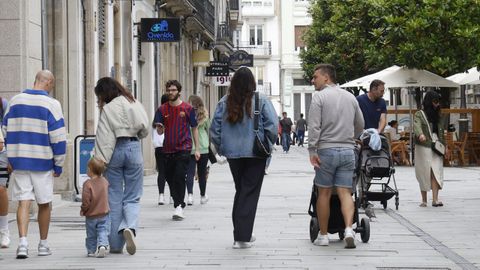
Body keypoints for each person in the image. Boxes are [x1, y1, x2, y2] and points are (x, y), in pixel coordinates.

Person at [210, 67, 278, 249]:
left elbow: (214, 130)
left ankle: (242, 231)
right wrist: (268, 145)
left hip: (233, 154)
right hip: (256, 153)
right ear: (252, 82)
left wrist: (222, 148)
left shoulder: (224, 101)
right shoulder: (261, 100)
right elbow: (272, 125)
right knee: (249, 193)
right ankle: (241, 237)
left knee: (241, 191)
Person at [2, 70, 67, 259]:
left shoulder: (15, 101)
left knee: (24, 201)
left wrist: (9, 159)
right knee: (44, 203)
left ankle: (22, 244)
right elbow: (59, 138)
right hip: (42, 162)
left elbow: (5, 132)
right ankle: (43, 244)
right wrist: (59, 164)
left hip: (20, 161)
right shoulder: (52, 104)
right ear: (48, 83)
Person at [308, 64, 364, 248]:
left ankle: (323, 236)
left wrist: (312, 150)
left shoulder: (319, 98)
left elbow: (314, 127)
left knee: (323, 193)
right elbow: (360, 124)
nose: (312, 80)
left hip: (327, 150)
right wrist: (351, 138)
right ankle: (349, 229)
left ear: (326, 78)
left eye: (315, 77)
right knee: (345, 192)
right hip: (348, 151)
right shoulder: (351, 97)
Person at [93, 77, 149, 255]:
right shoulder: (132, 101)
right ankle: (130, 228)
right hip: (133, 147)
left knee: (114, 198)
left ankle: (116, 245)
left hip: (115, 151)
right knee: (132, 195)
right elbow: (145, 127)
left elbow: (104, 137)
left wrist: (100, 160)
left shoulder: (107, 109)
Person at [154, 80, 200, 220]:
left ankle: (179, 206)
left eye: (173, 90)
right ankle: (178, 201)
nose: (170, 92)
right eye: (168, 90)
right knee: (169, 177)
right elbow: (160, 131)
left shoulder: (187, 109)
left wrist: (197, 148)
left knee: (180, 176)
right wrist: (160, 128)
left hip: (184, 148)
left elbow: (194, 128)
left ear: (179, 91)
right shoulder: (162, 109)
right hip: (167, 149)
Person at [413, 90, 449, 207]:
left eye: (438, 102)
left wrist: (446, 147)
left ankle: (435, 199)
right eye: (434, 101)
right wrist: (420, 134)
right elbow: (416, 125)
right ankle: (424, 200)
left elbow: (441, 133)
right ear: (429, 101)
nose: (437, 104)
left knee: (436, 171)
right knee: (424, 171)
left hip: (437, 145)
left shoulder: (439, 114)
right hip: (423, 145)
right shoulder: (420, 114)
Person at [80, 157, 109, 258]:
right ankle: (102, 245)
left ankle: (91, 250)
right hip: (104, 213)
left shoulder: (87, 184)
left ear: (90, 170)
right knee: (103, 230)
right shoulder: (105, 181)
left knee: (91, 234)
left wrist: (83, 209)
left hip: (91, 215)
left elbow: (86, 200)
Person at [185, 95, 210, 205]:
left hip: (190, 147)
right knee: (202, 173)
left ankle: (190, 196)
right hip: (203, 148)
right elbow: (209, 130)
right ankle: (202, 196)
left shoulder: (187, 114)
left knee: (189, 173)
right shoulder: (204, 115)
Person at [153, 94, 170, 205]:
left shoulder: (157, 114)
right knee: (170, 172)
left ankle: (161, 196)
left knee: (162, 172)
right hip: (168, 146)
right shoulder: (168, 113)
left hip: (158, 147)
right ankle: (173, 195)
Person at [0, 97, 9, 248]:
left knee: (1, 189)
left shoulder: (4, 104)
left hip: (1, 153)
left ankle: (4, 231)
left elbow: (10, 129)